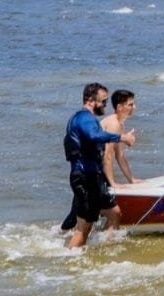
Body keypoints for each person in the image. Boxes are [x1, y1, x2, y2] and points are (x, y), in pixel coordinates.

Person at [64, 82, 136, 249]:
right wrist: (122, 138)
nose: (105, 105)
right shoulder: (84, 118)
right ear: (90, 100)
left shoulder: (86, 119)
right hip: (85, 177)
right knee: (84, 227)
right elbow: (94, 135)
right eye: (103, 101)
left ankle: (102, 248)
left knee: (114, 213)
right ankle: (70, 257)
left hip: (92, 177)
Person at [100, 89, 142, 229]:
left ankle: (103, 237)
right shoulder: (114, 124)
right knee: (111, 212)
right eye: (130, 104)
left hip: (96, 171)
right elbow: (107, 155)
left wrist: (131, 179)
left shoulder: (119, 123)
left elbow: (119, 155)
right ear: (119, 107)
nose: (134, 107)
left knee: (106, 213)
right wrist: (112, 183)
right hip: (91, 172)